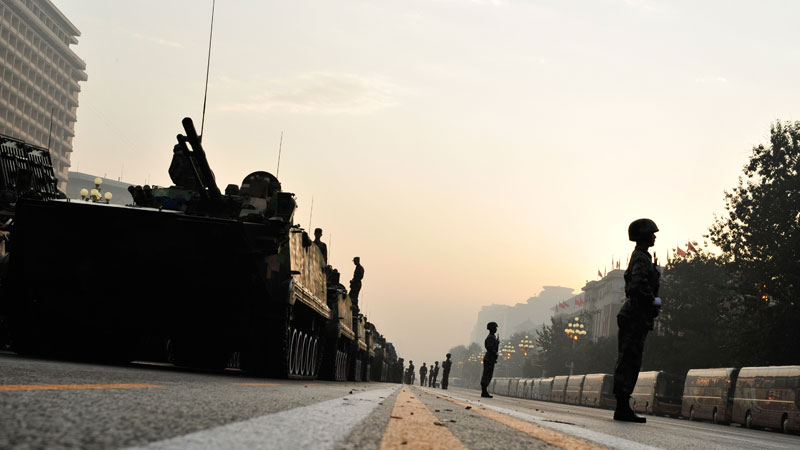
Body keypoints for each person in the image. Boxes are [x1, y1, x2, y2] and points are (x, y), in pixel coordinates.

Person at [613, 218, 662, 423]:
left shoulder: (642, 257)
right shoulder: (641, 258)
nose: (654, 236)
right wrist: (653, 300)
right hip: (635, 316)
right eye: (652, 233)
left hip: (636, 316)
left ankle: (623, 405)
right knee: (629, 362)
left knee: (630, 360)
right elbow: (636, 285)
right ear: (643, 236)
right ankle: (622, 406)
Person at [481, 322, 499, 398]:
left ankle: (485, 391)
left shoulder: (493, 337)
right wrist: (495, 352)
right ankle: (484, 391)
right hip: (489, 358)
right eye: (495, 328)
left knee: (489, 374)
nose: (496, 329)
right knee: (487, 374)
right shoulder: (490, 337)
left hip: (491, 358)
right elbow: (489, 347)